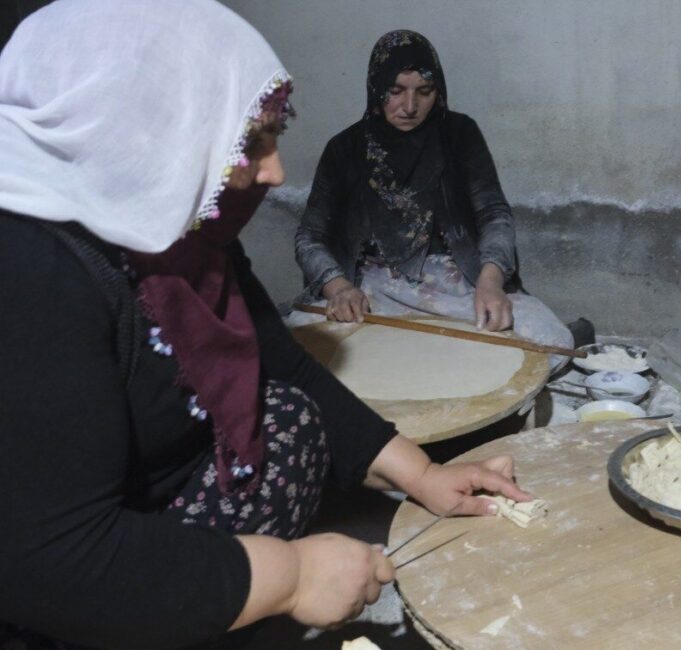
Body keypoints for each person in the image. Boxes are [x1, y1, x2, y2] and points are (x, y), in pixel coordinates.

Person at [0, 2, 528, 648]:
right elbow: (56, 558)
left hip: (150, 509)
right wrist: (291, 576)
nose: (276, 171)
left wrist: (422, 475)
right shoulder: (32, 269)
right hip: (61, 580)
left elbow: (286, 363)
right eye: (252, 141)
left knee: (290, 416)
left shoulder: (184, 230)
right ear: (154, 127)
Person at [293, 30, 573, 358]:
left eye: (424, 91)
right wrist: (338, 288)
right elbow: (308, 238)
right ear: (375, 87)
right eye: (395, 91)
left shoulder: (459, 135)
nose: (410, 106)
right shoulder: (344, 149)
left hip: (455, 288)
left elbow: (494, 215)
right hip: (370, 290)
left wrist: (491, 281)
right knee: (294, 344)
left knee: (552, 341)